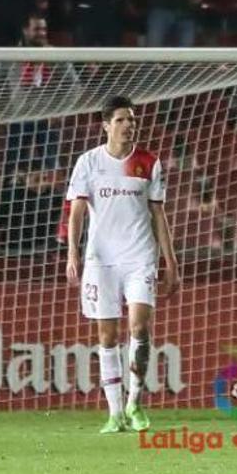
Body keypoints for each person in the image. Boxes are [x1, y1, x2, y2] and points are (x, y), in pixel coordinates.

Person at [64, 95, 179, 434]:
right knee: (107, 334)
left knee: (139, 328)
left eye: (132, 120)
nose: (129, 125)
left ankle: (135, 402)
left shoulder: (149, 163)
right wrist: (73, 253)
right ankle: (115, 412)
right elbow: (77, 211)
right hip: (101, 259)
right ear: (106, 125)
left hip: (140, 255)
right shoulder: (88, 162)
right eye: (121, 120)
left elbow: (159, 214)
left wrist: (170, 262)